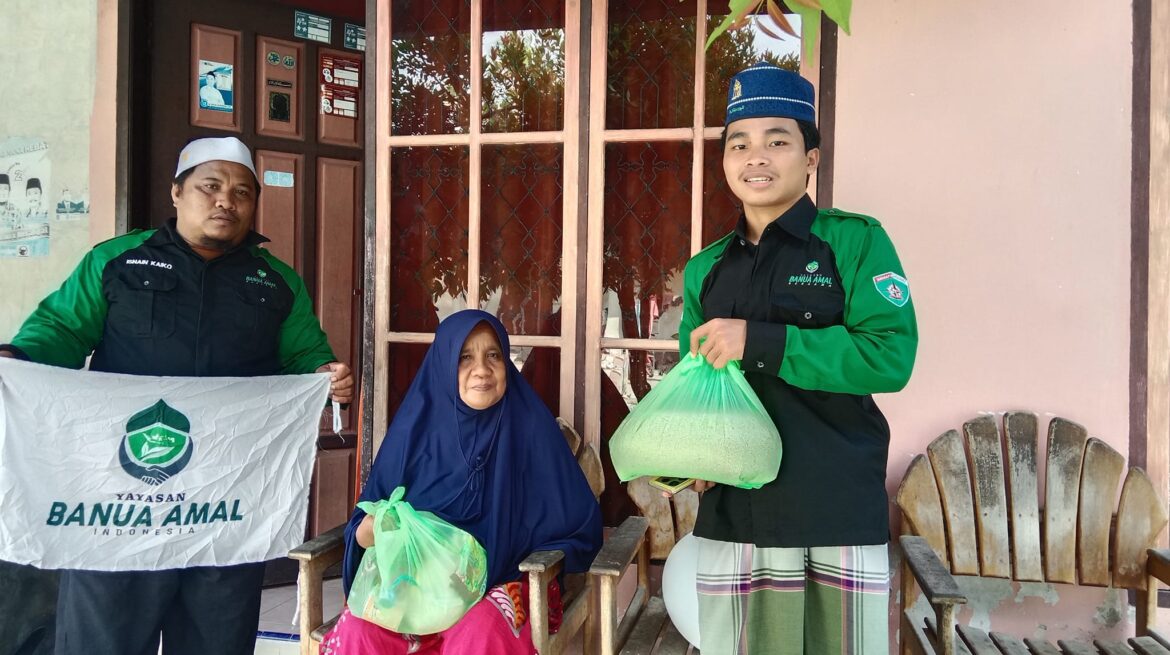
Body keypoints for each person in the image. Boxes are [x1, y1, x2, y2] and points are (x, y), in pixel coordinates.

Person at [0, 136, 354, 655]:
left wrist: (328, 377)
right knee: (104, 639)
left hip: (226, 499)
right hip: (120, 500)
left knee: (216, 639)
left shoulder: (275, 281)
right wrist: (18, 362)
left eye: (241, 192)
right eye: (210, 186)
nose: (225, 201)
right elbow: (59, 331)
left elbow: (306, 358)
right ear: (176, 193)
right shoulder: (118, 261)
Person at [677, 62, 918, 653]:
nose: (755, 157)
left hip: (832, 506)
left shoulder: (855, 242)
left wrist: (760, 342)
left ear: (810, 158)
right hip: (737, 514)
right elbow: (693, 388)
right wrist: (686, 456)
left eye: (776, 141)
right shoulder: (705, 270)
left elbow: (889, 356)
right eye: (739, 143)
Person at [322, 309, 602, 655]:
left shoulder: (530, 429)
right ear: (443, 364)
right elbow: (363, 528)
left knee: (480, 630)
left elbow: (578, 525)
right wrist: (373, 530)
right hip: (418, 587)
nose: (481, 370)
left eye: (493, 355)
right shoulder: (414, 432)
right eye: (464, 357)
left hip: (501, 582)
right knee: (360, 630)